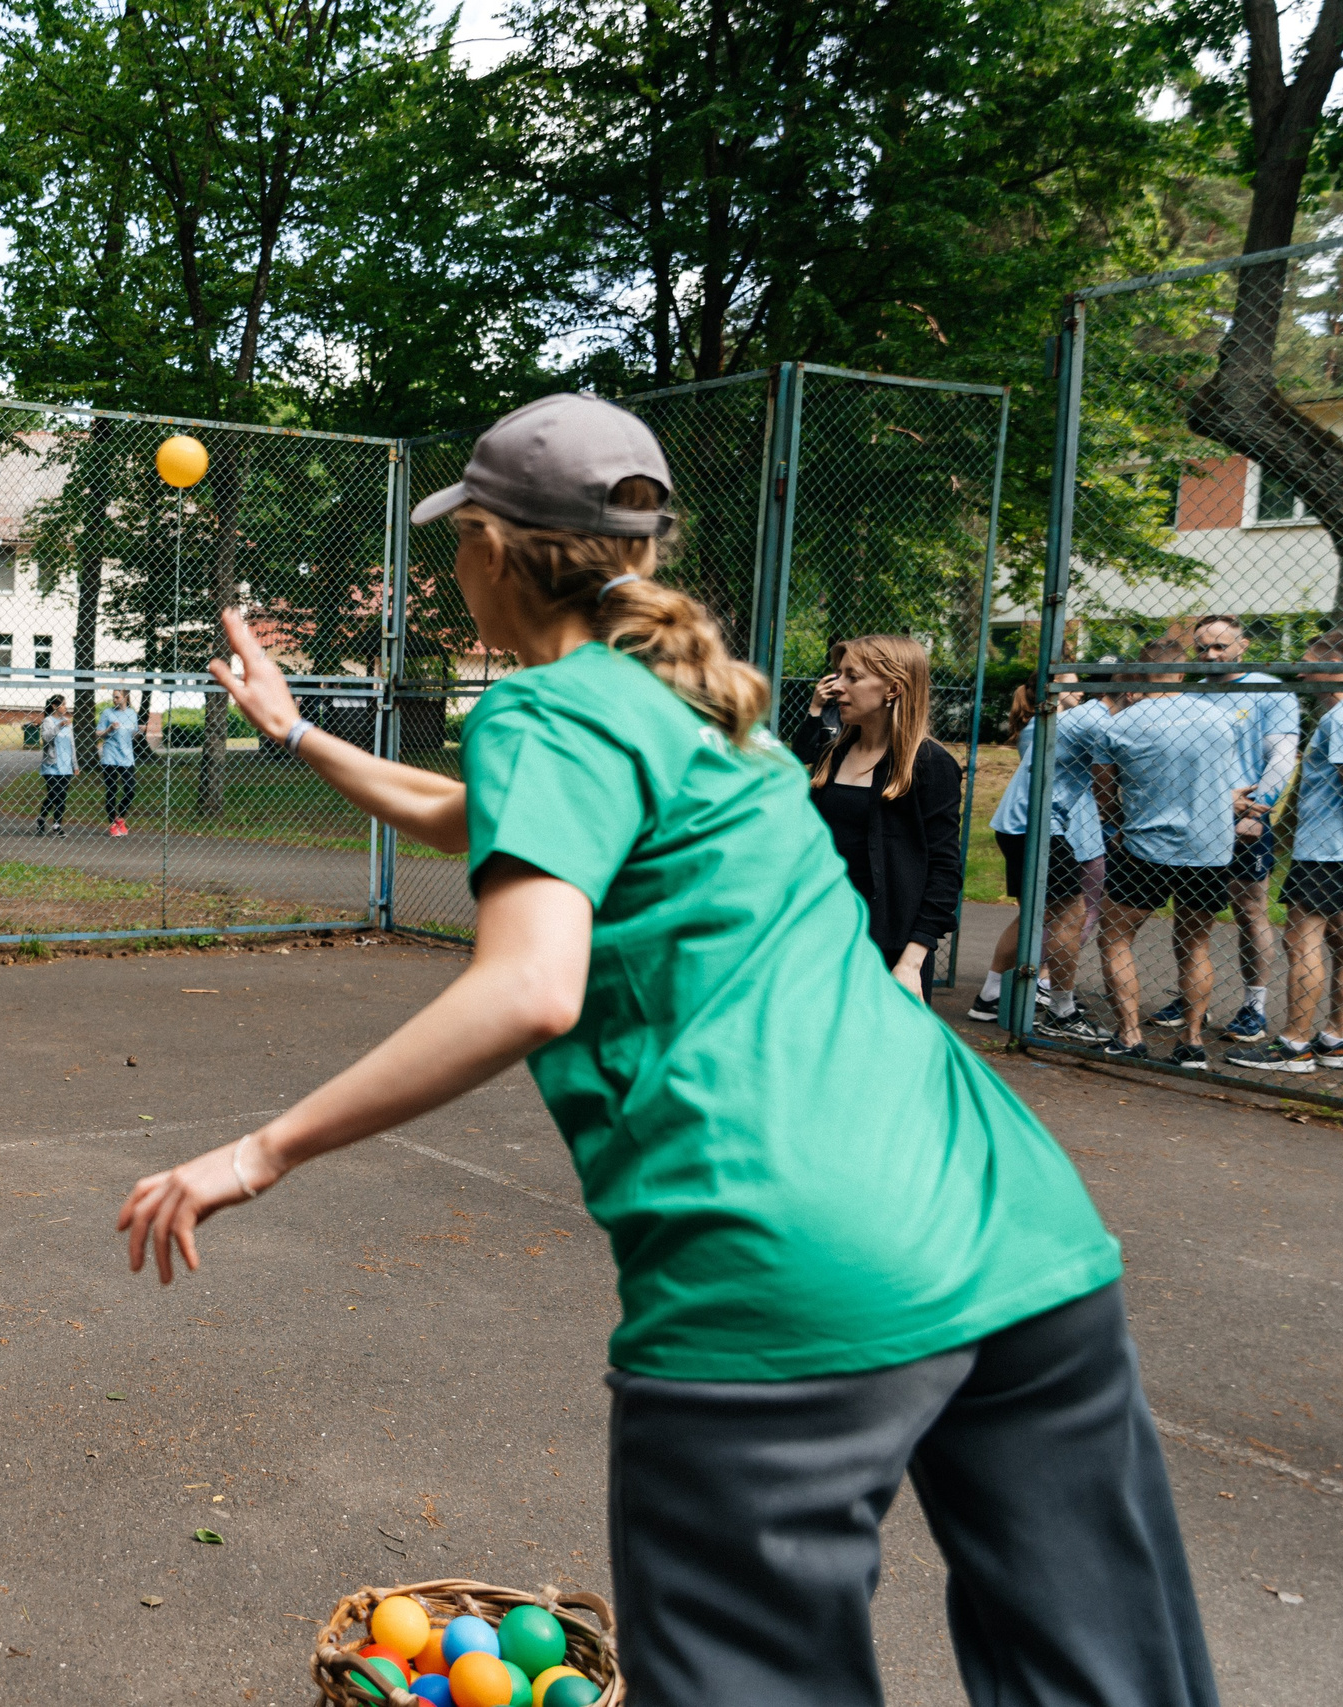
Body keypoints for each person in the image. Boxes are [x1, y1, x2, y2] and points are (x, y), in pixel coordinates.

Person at [118, 394, 1216, 1707]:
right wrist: (294, 732)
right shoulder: (711, 722)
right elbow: (471, 814)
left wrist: (260, 1149)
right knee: (1104, 1677)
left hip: (786, 1267)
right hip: (1017, 1225)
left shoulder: (548, 711)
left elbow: (527, 984)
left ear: (489, 543)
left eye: (453, 539)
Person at [1081, 641, 1245, 1067]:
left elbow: (1104, 791)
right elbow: (1230, 785)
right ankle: (1191, 1041)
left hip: (1143, 847)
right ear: (1181, 672)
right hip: (1208, 848)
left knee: (1116, 938)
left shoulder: (1119, 725)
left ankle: (1130, 1033)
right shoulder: (1222, 718)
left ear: (1138, 674)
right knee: (1195, 945)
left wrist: (1119, 816)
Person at [794, 635, 965, 1000]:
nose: (836, 687)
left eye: (852, 677)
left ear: (893, 688)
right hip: (821, 938)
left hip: (889, 951)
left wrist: (911, 961)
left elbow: (944, 870)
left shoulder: (930, 765)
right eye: (838, 674)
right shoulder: (833, 754)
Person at [1154, 617, 1297, 1042]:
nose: (1211, 656)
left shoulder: (1271, 690)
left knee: (1250, 910)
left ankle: (1254, 1006)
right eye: (1203, 648)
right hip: (1197, 816)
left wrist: (1258, 813)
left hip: (1244, 818)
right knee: (1190, 911)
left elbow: (1282, 759)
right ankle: (1189, 997)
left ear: (1242, 645)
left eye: (1220, 647)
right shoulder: (1194, 692)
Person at [1229, 632, 1343, 1072]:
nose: (1298, 671)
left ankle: (1295, 1045)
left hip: (1327, 851)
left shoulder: (1339, 718)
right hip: (1330, 848)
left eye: (1306, 662)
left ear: (1334, 665)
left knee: (1303, 941)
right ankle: (1334, 1037)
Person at [970, 679, 1107, 1042]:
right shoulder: (1064, 722)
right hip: (1036, 826)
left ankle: (990, 995)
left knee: (1037, 913)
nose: (1080, 692)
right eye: (1069, 684)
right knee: (1070, 915)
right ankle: (1061, 1009)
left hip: (1028, 825)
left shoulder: (1068, 719)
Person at [98, 688, 141, 836]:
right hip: (110, 756)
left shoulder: (132, 714)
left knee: (130, 789)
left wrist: (140, 731)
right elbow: (98, 733)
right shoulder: (107, 713)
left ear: (125, 697)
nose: (114, 700)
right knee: (112, 791)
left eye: (117, 697)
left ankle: (120, 818)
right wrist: (109, 729)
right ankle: (112, 824)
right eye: (113, 697)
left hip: (127, 757)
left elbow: (132, 735)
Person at [34, 692, 75, 835]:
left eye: (65, 704)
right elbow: (46, 738)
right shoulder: (48, 721)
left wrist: (75, 765)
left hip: (66, 766)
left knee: (62, 796)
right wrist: (59, 726)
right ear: (54, 706)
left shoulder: (68, 723)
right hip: (51, 765)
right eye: (63, 704)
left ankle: (57, 825)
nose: (65, 707)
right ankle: (41, 818)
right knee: (54, 795)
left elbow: (72, 745)